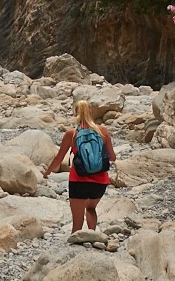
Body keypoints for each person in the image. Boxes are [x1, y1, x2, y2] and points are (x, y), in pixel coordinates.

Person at [43, 99, 119, 233]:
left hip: (78, 180)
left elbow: (59, 158)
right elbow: (113, 157)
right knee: (91, 209)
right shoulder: (103, 131)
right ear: (90, 112)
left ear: (75, 113)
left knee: (76, 225)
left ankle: (75, 246)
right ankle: (93, 237)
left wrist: (47, 172)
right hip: (100, 181)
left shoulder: (72, 134)